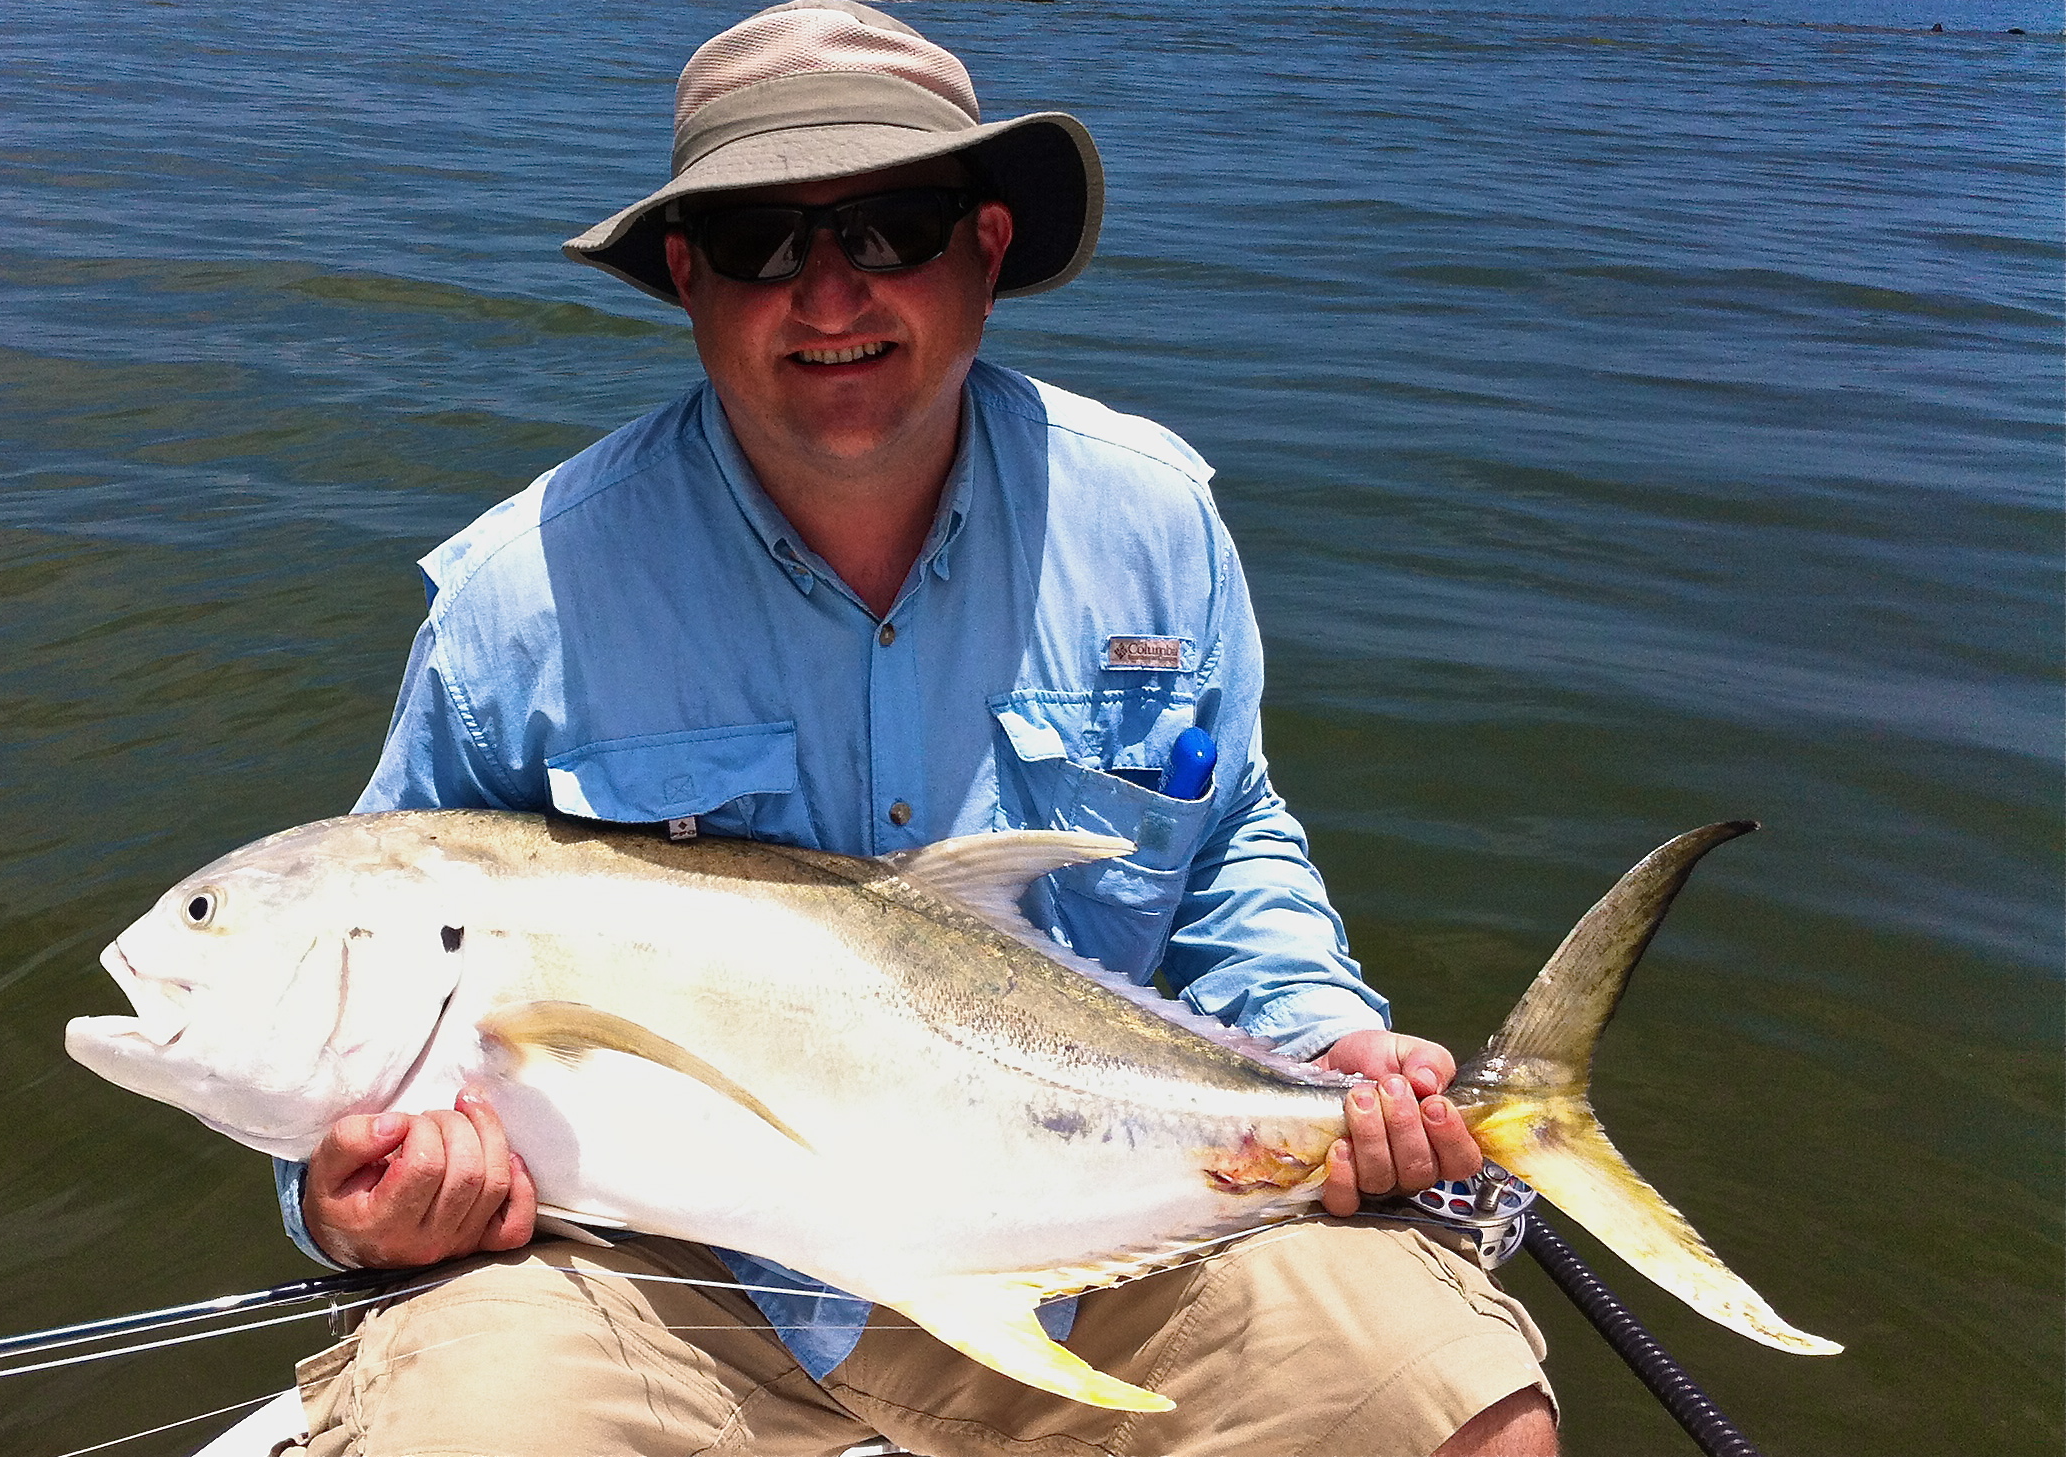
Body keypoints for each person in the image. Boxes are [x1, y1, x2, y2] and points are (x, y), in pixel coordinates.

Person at [272, 4, 1557, 1453]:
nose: (831, 297)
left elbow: (1225, 845)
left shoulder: (1148, 526)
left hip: (1102, 1229)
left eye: (892, 227)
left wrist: (1328, 1039)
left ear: (986, 256)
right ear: (687, 278)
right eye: (763, 242)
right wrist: (345, 1195)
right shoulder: (521, 601)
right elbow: (346, 1010)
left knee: (1462, 1408)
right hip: (659, 1284)